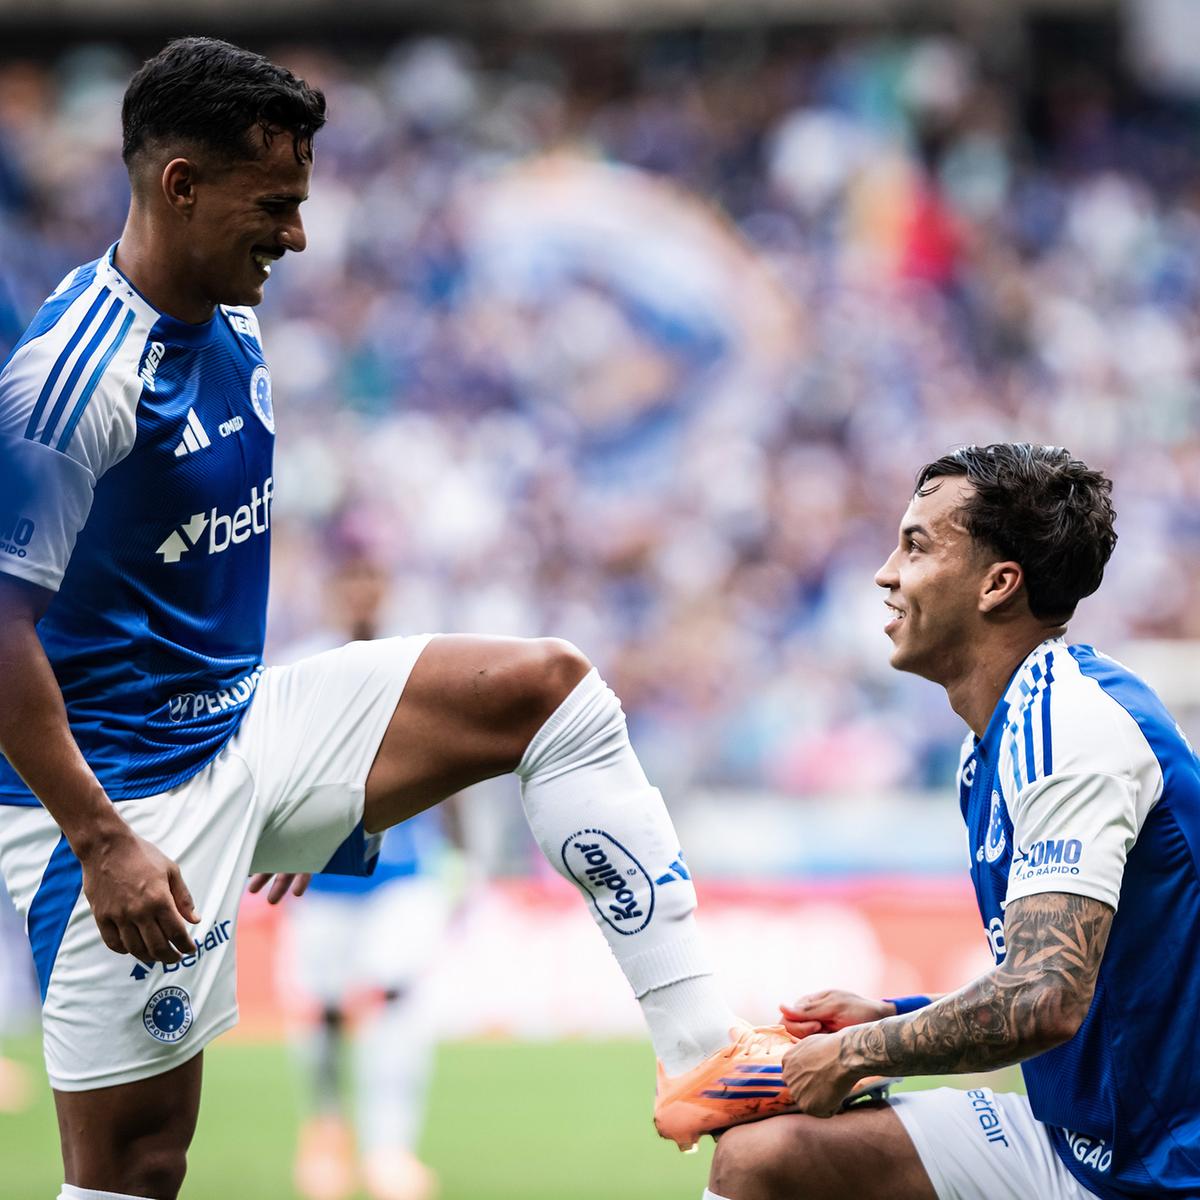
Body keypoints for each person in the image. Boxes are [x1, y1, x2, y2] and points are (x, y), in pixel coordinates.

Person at [0, 37, 784, 1200]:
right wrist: (105, 841)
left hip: (239, 733)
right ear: (180, 186)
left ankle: (704, 1055)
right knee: (135, 1168)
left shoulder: (232, 312)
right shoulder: (69, 384)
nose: (299, 235)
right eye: (276, 205)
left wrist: (288, 795)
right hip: (123, 800)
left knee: (549, 692)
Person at [702, 442, 1200, 1200]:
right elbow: (1069, 986)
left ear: (998, 585)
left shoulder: (1069, 726)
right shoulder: (998, 741)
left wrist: (861, 1051)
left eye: (916, 545)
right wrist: (893, 1020)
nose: (885, 573)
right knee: (764, 1158)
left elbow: (1044, 998)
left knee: (768, 1158)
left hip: (1168, 1173)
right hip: (1088, 1150)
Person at [277, 551, 458, 1200]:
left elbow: (456, 755)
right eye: (348, 578)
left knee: (398, 998)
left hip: (405, 868)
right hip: (319, 872)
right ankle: (326, 1131)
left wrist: (462, 858)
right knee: (323, 1010)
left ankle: (390, 1149)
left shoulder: (422, 660)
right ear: (334, 589)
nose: (361, 591)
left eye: (370, 577)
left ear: (385, 585)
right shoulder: (302, 665)